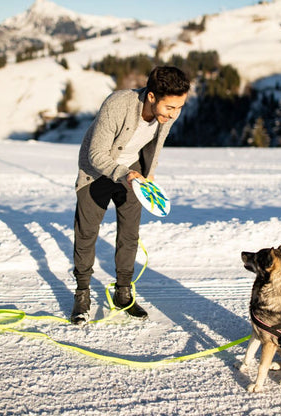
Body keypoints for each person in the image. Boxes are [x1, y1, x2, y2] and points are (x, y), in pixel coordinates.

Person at [71, 66, 190, 325]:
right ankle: (82, 295)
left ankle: (123, 294)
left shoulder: (168, 114)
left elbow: (155, 146)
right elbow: (96, 154)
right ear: (151, 96)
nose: (174, 114)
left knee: (129, 235)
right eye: (170, 107)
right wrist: (122, 173)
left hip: (134, 174)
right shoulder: (117, 104)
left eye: (180, 107)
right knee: (86, 233)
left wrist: (150, 175)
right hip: (97, 172)